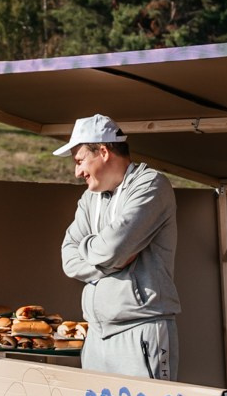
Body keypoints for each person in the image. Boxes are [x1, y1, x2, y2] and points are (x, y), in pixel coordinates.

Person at [57, 114, 179, 380]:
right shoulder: (89, 198)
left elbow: (112, 248)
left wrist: (96, 250)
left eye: (79, 161)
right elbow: (68, 256)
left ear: (103, 151)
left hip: (141, 329)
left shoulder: (151, 185)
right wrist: (109, 257)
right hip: (96, 336)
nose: (77, 172)